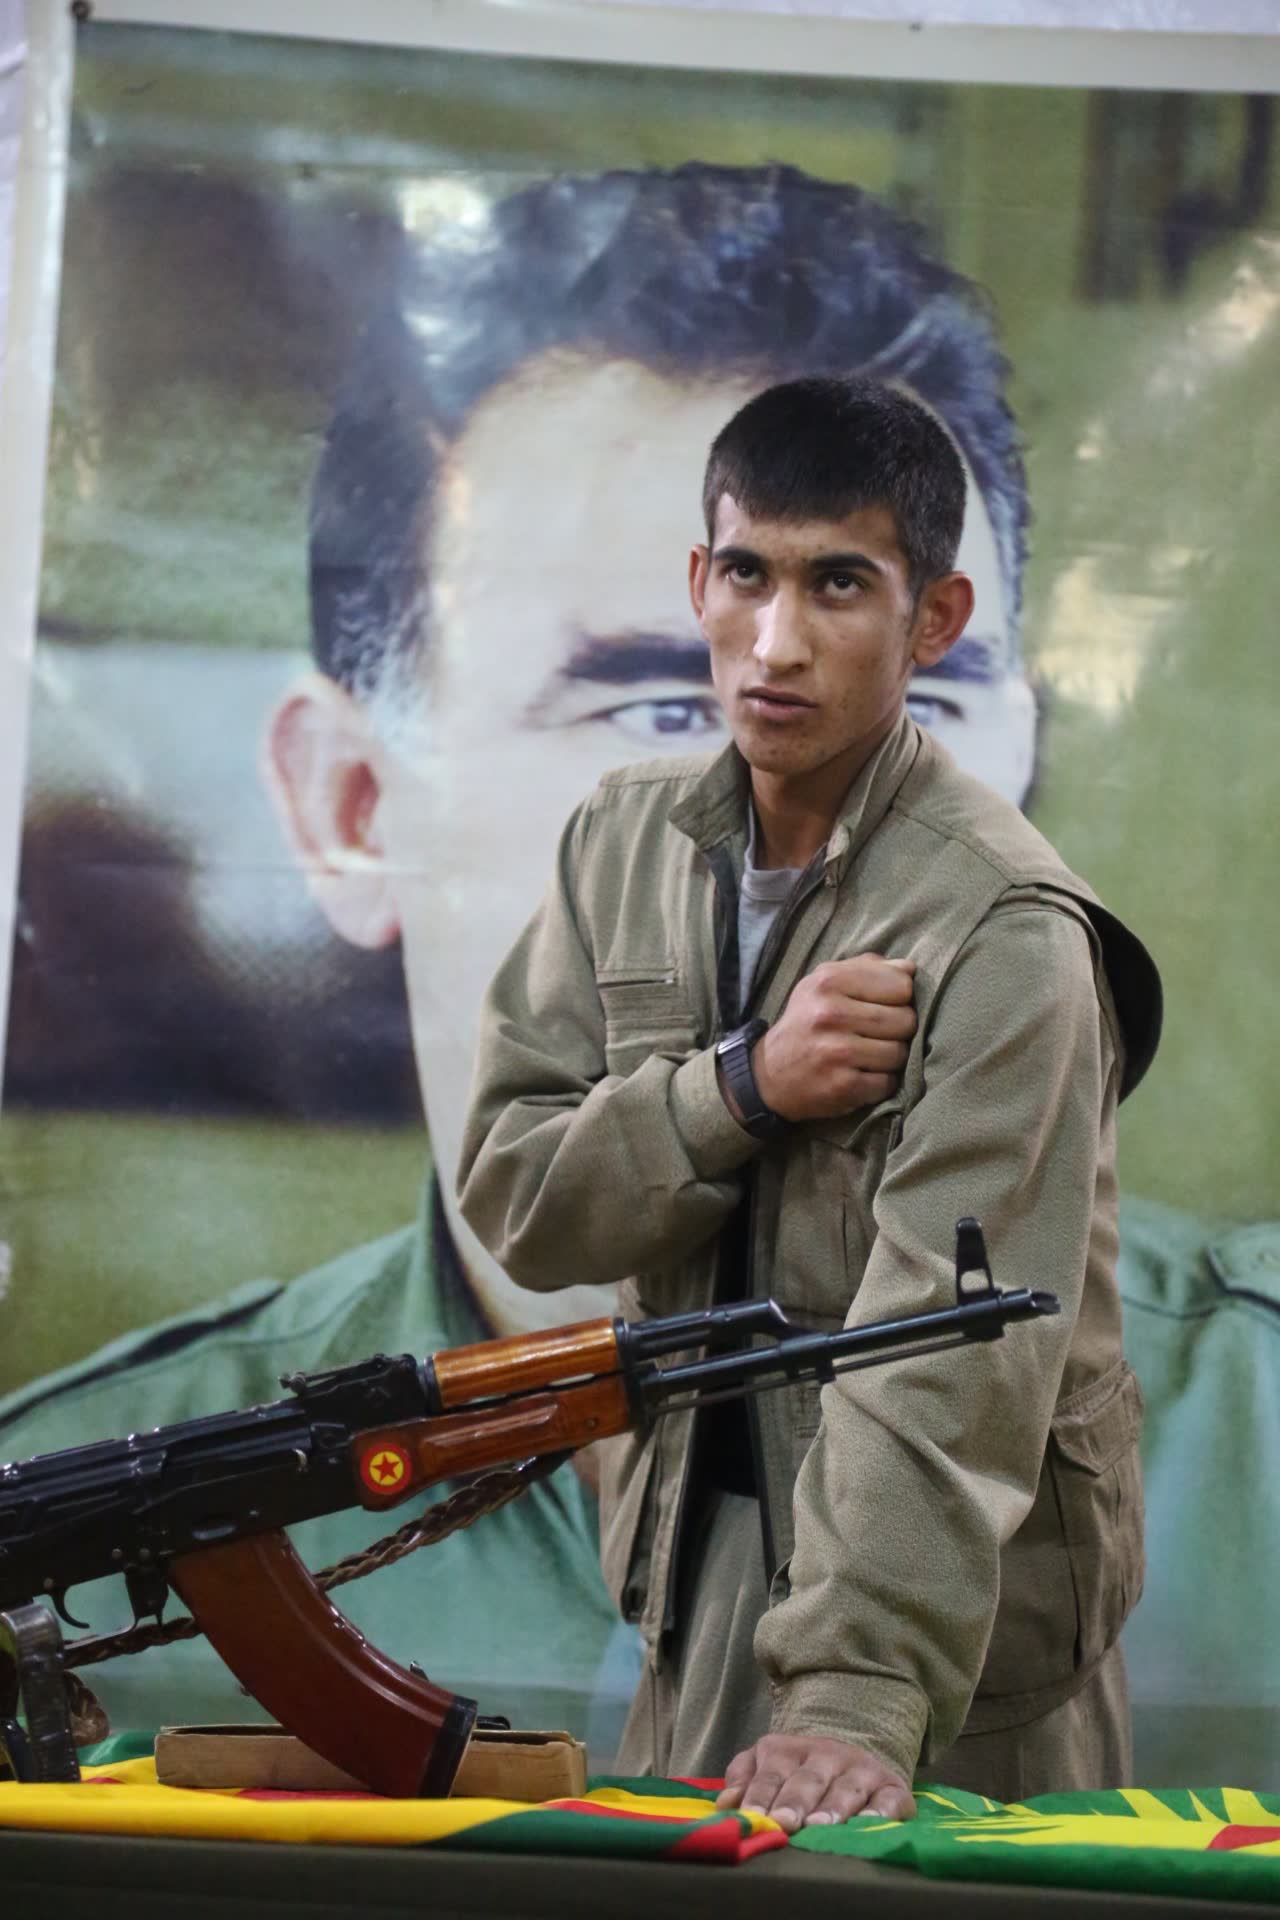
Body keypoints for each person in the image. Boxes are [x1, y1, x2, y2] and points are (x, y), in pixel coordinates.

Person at [0, 163, 1100, 1753]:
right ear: (352, 807)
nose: (789, 748)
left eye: (915, 692)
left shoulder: (1248, 1432)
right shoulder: (109, 1438)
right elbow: (536, 1189)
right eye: (655, 703)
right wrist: (740, 1088)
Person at [458, 374, 1163, 1824]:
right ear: (698, 581)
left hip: (951, 1631)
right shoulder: (622, 844)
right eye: (747, 575)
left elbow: (953, 1345)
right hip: (694, 1568)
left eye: (838, 583)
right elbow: (522, 1201)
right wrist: (741, 1090)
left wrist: (854, 1694)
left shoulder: (1004, 927)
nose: (775, 643)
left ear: (934, 619)